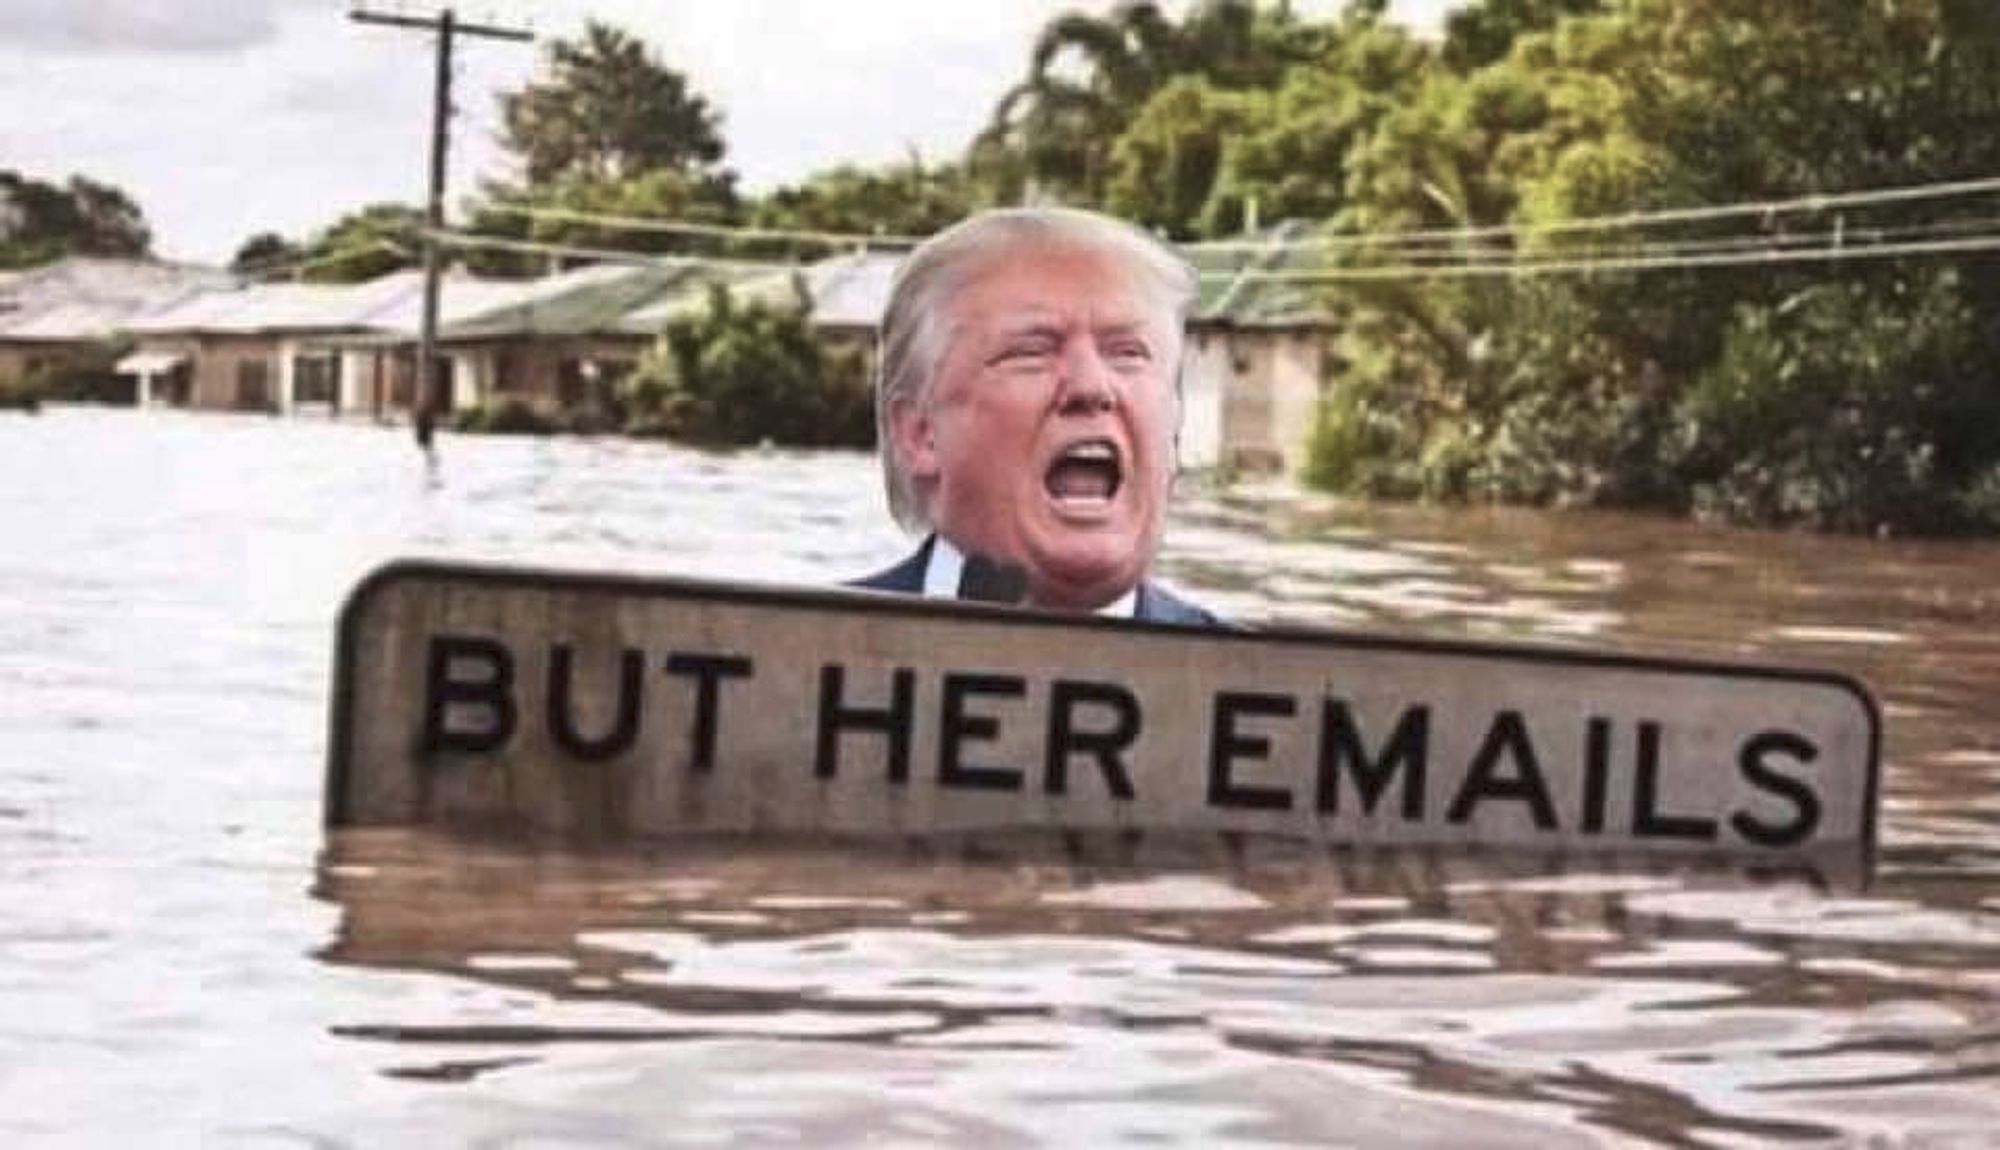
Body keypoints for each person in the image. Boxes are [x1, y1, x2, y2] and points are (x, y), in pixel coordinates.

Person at [852, 206, 1220, 626]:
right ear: (920, 434)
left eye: (1128, 354)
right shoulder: (790, 660)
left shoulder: (1264, 676)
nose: (1092, 387)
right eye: (1031, 352)